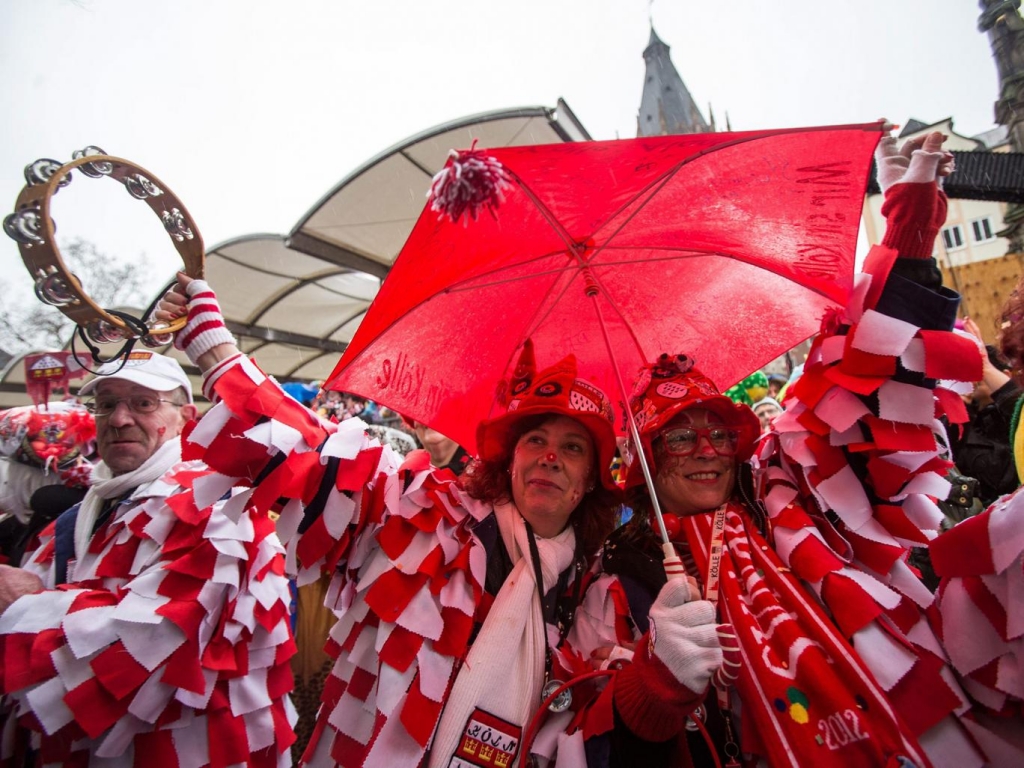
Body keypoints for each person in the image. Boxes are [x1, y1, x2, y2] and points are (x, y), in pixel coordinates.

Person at [574, 131, 1017, 766]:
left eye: (719, 433)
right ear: (644, 459)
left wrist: (906, 254)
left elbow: (866, 400)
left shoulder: (790, 495)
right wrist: (653, 685)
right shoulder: (613, 578)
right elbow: (601, 737)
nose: (706, 451)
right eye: (678, 436)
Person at [0, 350, 299, 766]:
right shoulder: (75, 516)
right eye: (106, 405)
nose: (119, 419)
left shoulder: (219, 510)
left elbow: (149, 648)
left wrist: (24, 605)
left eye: (143, 403)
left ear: (186, 417)